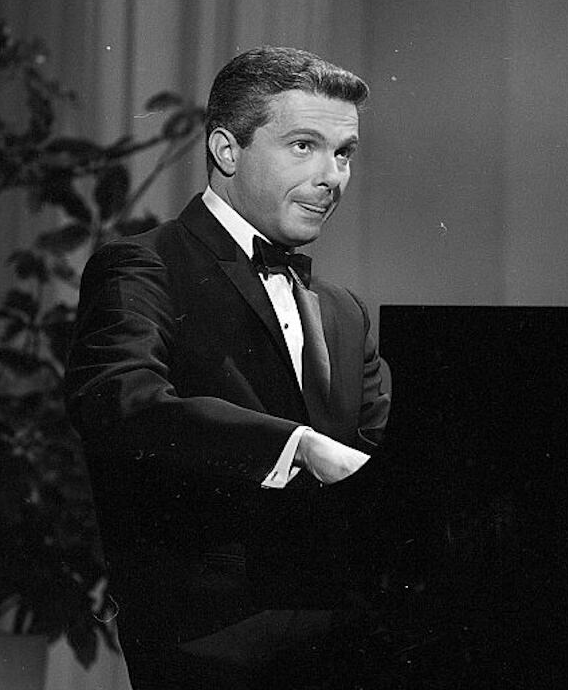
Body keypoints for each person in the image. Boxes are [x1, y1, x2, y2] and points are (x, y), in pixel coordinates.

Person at [65, 47, 391, 689]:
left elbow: (379, 460)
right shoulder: (144, 265)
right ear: (226, 150)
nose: (332, 176)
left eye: (344, 152)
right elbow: (121, 402)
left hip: (346, 647)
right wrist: (298, 446)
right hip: (211, 647)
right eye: (304, 146)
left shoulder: (345, 311)